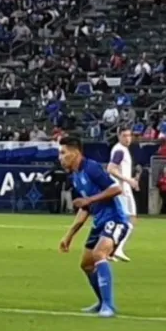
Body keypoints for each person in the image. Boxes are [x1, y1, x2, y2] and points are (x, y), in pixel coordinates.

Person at [58, 136, 127, 318]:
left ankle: (109, 307)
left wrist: (89, 199)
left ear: (75, 153)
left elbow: (116, 189)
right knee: (87, 265)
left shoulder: (91, 168)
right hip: (99, 222)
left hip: (116, 219)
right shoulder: (76, 176)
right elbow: (85, 208)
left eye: (63, 153)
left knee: (99, 254)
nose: (60, 157)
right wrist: (69, 235)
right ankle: (101, 302)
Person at [107, 127, 140, 262]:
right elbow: (110, 168)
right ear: (119, 136)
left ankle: (113, 249)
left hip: (124, 188)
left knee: (125, 219)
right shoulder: (120, 150)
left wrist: (130, 181)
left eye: (129, 135)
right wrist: (127, 180)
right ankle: (116, 248)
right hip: (121, 190)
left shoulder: (122, 149)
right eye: (125, 135)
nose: (128, 138)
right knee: (127, 220)